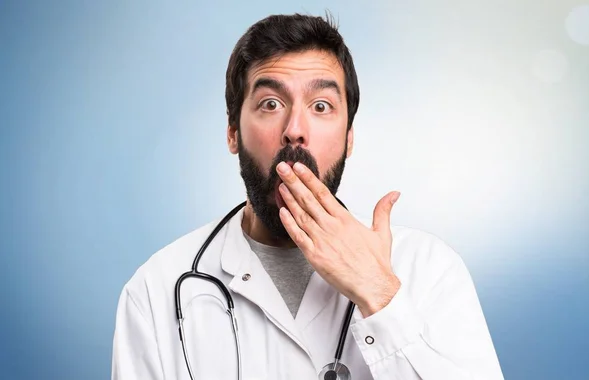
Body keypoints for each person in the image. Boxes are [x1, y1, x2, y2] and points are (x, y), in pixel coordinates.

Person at [111, 13, 504, 380]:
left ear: (349, 138)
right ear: (233, 132)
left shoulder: (429, 270)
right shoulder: (156, 289)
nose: (295, 130)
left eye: (321, 106)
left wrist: (378, 293)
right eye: (270, 104)